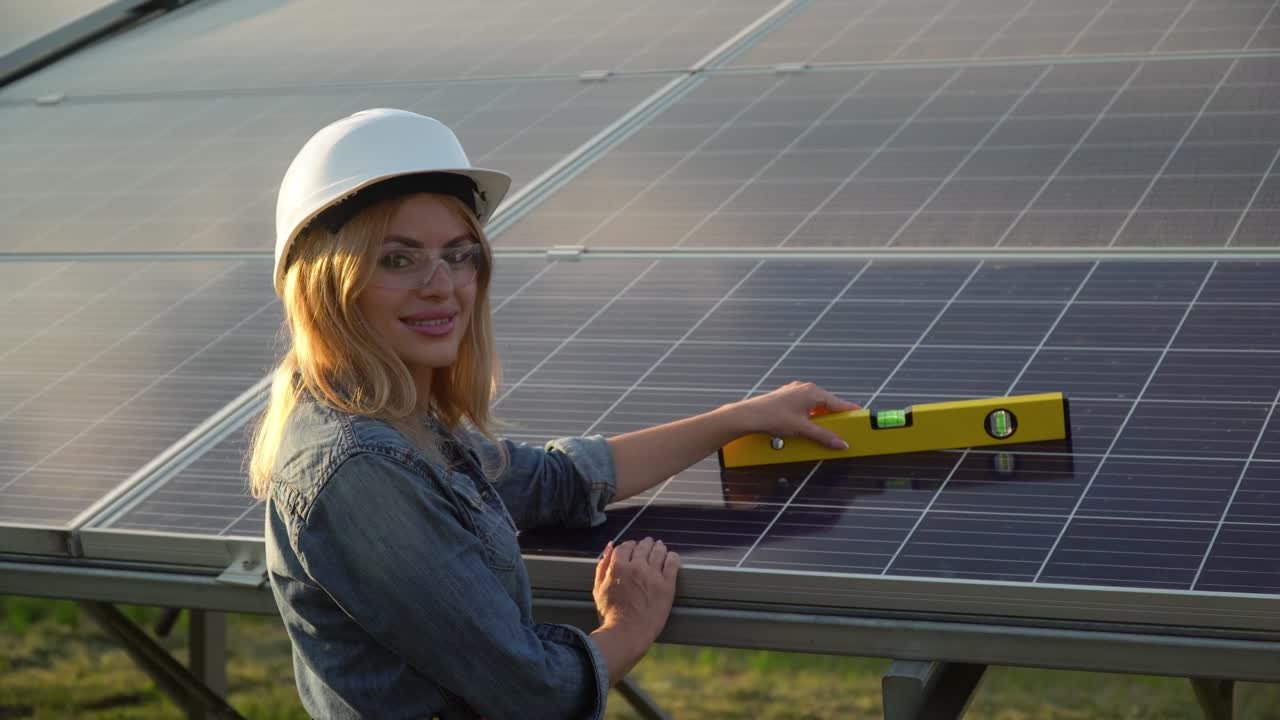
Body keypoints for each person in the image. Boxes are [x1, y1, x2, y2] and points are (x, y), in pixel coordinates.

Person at [248, 108, 859, 719]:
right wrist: (629, 624)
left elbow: (555, 480)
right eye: (398, 260)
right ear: (325, 284)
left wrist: (741, 417)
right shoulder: (360, 469)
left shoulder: (399, 425)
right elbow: (532, 694)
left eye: (459, 255)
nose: (443, 285)